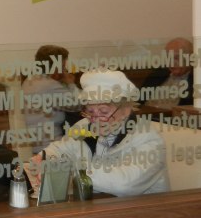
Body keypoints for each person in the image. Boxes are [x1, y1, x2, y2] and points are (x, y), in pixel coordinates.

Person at [29, 70, 169, 197]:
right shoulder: (84, 126)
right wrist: (43, 159)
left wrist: (72, 172)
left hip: (143, 215)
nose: (95, 120)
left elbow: (124, 184)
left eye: (103, 112)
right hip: (98, 208)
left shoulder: (148, 138)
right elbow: (60, 149)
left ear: (126, 109)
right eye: (90, 112)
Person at [21, 45, 82, 153]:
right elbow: (78, 104)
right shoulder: (49, 85)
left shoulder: (29, 81)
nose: (64, 70)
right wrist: (71, 84)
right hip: (50, 146)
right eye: (63, 66)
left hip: (36, 145)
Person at [140, 37, 195, 110]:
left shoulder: (196, 80)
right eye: (168, 57)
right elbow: (139, 100)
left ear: (190, 57)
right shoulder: (159, 73)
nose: (171, 62)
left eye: (176, 57)